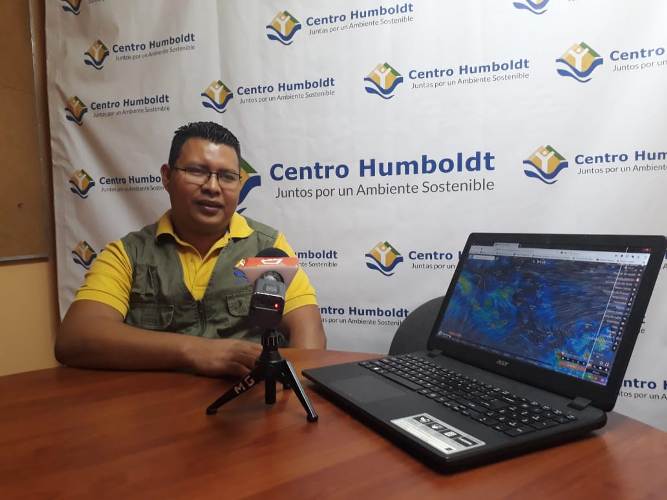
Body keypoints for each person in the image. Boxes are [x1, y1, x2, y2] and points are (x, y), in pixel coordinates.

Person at [56, 121, 326, 377]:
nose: (212, 187)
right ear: (167, 176)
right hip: (154, 410)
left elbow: (308, 331)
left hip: (246, 410)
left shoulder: (265, 248)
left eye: (227, 176)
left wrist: (291, 393)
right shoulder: (129, 254)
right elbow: (76, 337)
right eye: (196, 171)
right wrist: (195, 350)